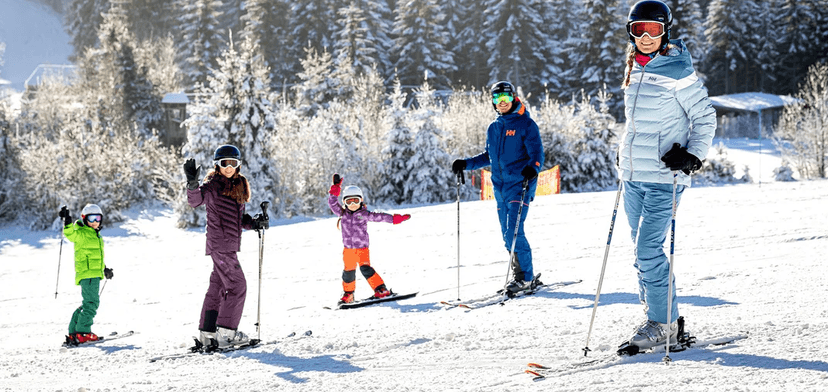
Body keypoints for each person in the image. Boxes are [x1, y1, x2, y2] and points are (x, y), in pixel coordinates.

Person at [617, 0, 716, 350]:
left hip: (665, 176)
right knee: (640, 252)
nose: (646, 36)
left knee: (648, 249)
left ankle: (663, 324)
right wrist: (624, 154)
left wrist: (693, 155)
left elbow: (704, 116)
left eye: (653, 29)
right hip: (633, 175)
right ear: (631, 33)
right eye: (639, 29)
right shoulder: (634, 66)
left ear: (666, 32)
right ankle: (659, 317)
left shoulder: (678, 69)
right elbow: (636, 123)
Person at [451, 81, 544, 294]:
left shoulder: (526, 124)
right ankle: (520, 275)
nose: (502, 102)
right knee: (506, 234)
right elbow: (489, 156)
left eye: (506, 98)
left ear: (513, 98)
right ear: (493, 102)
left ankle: (525, 278)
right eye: (497, 99)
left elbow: (537, 153)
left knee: (513, 232)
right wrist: (466, 164)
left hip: (520, 185)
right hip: (500, 188)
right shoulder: (494, 127)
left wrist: (533, 168)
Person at [183, 144, 268, 349]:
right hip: (221, 245)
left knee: (218, 287)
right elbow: (196, 201)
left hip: (225, 245)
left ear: (238, 165)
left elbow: (238, 218)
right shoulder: (213, 185)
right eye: (224, 163)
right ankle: (227, 334)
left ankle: (208, 334)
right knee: (237, 286)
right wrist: (192, 185)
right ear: (217, 165)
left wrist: (254, 223)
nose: (228, 167)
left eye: (233, 163)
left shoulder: (237, 186)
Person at [328, 174, 411, 304]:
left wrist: (394, 219)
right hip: (348, 250)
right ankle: (348, 294)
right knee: (348, 272)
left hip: (362, 248)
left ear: (361, 200)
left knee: (366, 269)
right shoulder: (342, 214)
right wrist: (335, 189)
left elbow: (380, 217)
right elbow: (332, 203)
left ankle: (381, 290)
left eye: (355, 201)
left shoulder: (364, 214)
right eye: (349, 201)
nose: (353, 204)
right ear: (344, 202)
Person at [60, 204, 114, 345]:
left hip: (93, 273)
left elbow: (95, 256)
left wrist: (104, 269)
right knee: (92, 303)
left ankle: (74, 332)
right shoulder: (82, 233)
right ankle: (83, 332)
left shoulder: (95, 235)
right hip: (88, 275)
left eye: (98, 218)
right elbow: (71, 234)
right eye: (91, 218)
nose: (95, 221)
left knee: (88, 303)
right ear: (84, 219)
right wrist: (67, 223)